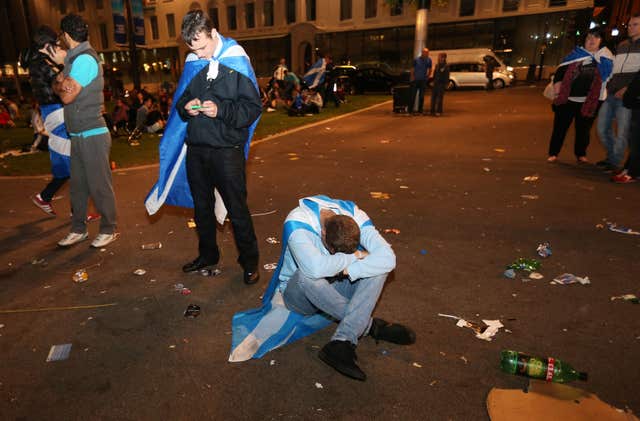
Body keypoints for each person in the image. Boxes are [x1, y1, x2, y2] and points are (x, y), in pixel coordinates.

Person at [230, 195, 415, 381]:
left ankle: (342, 342)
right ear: (323, 233)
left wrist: (346, 268)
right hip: (299, 294)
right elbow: (314, 269)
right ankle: (369, 325)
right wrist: (357, 255)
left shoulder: (356, 215)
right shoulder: (298, 223)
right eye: (332, 250)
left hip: (336, 282)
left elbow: (389, 259)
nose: (334, 253)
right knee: (307, 275)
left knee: (379, 270)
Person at [151, 10, 262, 284]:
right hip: (196, 150)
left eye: (202, 47)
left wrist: (221, 109)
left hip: (226, 150)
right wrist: (186, 108)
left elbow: (252, 108)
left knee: (237, 209)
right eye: (193, 49)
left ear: (213, 33)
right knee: (201, 209)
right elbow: (181, 100)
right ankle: (208, 256)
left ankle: (250, 262)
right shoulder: (194, 61)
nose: (199, 55)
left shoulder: (236, 59)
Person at [51, 14, 118, 248]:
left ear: (67, 35)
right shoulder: (74, 59)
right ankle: (78, 229)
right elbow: (63, 85)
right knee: (78, 188)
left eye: (61, 36)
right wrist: (61, 77)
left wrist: (58, 84)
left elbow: (67, 95)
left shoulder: (84, 60)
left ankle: (109, 229)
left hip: (92, 134)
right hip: (79, 135)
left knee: (99, 186)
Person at [547, 27, 613, 163]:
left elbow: (609, 78)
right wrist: (558, 84)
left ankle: (580, 154)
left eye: (596, 37)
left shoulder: (606, 58)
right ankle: (553, 153)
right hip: (567, 100)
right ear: (584, 41)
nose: (592, 40)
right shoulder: (575, 54)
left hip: (589, 101)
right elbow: (560, 71)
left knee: (583, 131)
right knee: (560, 128)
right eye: (589, 37)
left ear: (601, 41)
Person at [596, 14, 640, 172]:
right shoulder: (622, 45)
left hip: (627, 96)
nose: (630, 27)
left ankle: (614, 163)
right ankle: (612, 157)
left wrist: (628, 88)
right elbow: (616, 68)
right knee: (602, 128)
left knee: (622, 132)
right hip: (612, 93)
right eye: (629, 25)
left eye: (635, 24)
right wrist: (609, 85)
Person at [612, 69, 640, 183]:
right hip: (635, 105)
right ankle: (629, 168)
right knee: (634, 140)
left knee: (637, 141)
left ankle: (633, 173)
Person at [409, 48, 432, 115]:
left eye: (428, 53)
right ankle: (410, 111)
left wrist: (427, 76)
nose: (427, 54)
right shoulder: (416, 60)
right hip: (415, 80)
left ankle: (420, 111)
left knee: (421, 96)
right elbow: (412, 68)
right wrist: (412, 77)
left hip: (423, 81)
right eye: (425, 53)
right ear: (422, 53)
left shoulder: (429, 60)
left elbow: (430, 69)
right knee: (412, 95)